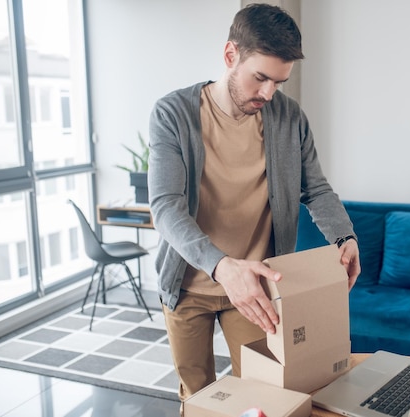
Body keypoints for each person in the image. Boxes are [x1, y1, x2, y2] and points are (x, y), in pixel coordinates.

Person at [148, 3, 360, 412]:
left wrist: (345, 235)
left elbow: (315, 188)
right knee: (199, 399)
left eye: (278, 83)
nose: (267, 93)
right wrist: (224, 267)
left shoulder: (289, 118)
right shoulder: (173, 113)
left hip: (257, 289)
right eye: (259, 77)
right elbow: (166, 208)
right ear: (231, 56)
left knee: (263, 396)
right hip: (189, 284)